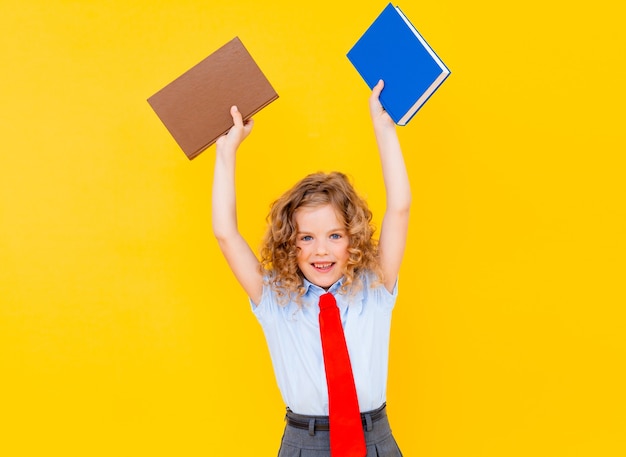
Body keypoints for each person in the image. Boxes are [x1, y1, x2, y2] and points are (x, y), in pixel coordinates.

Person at [211, 80, 411, 456]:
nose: (321, 250)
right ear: (289, 242)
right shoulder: (274, 298)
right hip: (306, 443)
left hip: (374, 441)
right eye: (306, 238)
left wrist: (384, 129)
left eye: (335, 236)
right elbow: (225, 233)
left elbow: (399, 207)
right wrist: (227, 151)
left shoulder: (375, 287)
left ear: (354, 239)